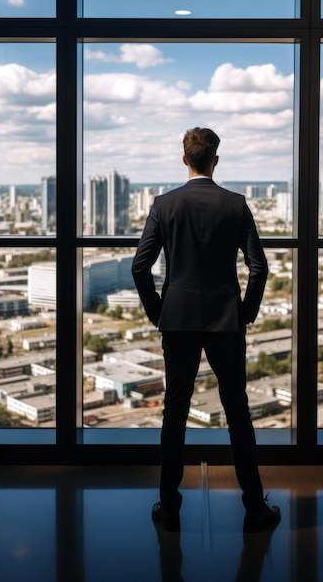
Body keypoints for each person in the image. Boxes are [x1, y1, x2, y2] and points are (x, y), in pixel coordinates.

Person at [132, 127, 280, 532]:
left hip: (177, 321)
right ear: (216, 160)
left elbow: (139, 267)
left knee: (175, 412)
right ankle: (254, 506)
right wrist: (245, 313)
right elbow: (258, 267)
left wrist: (158, 311)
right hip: (224, 322)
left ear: (185, 159)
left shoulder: (164, 205)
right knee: (237, 412)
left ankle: (169, 507)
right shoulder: (235, 204)